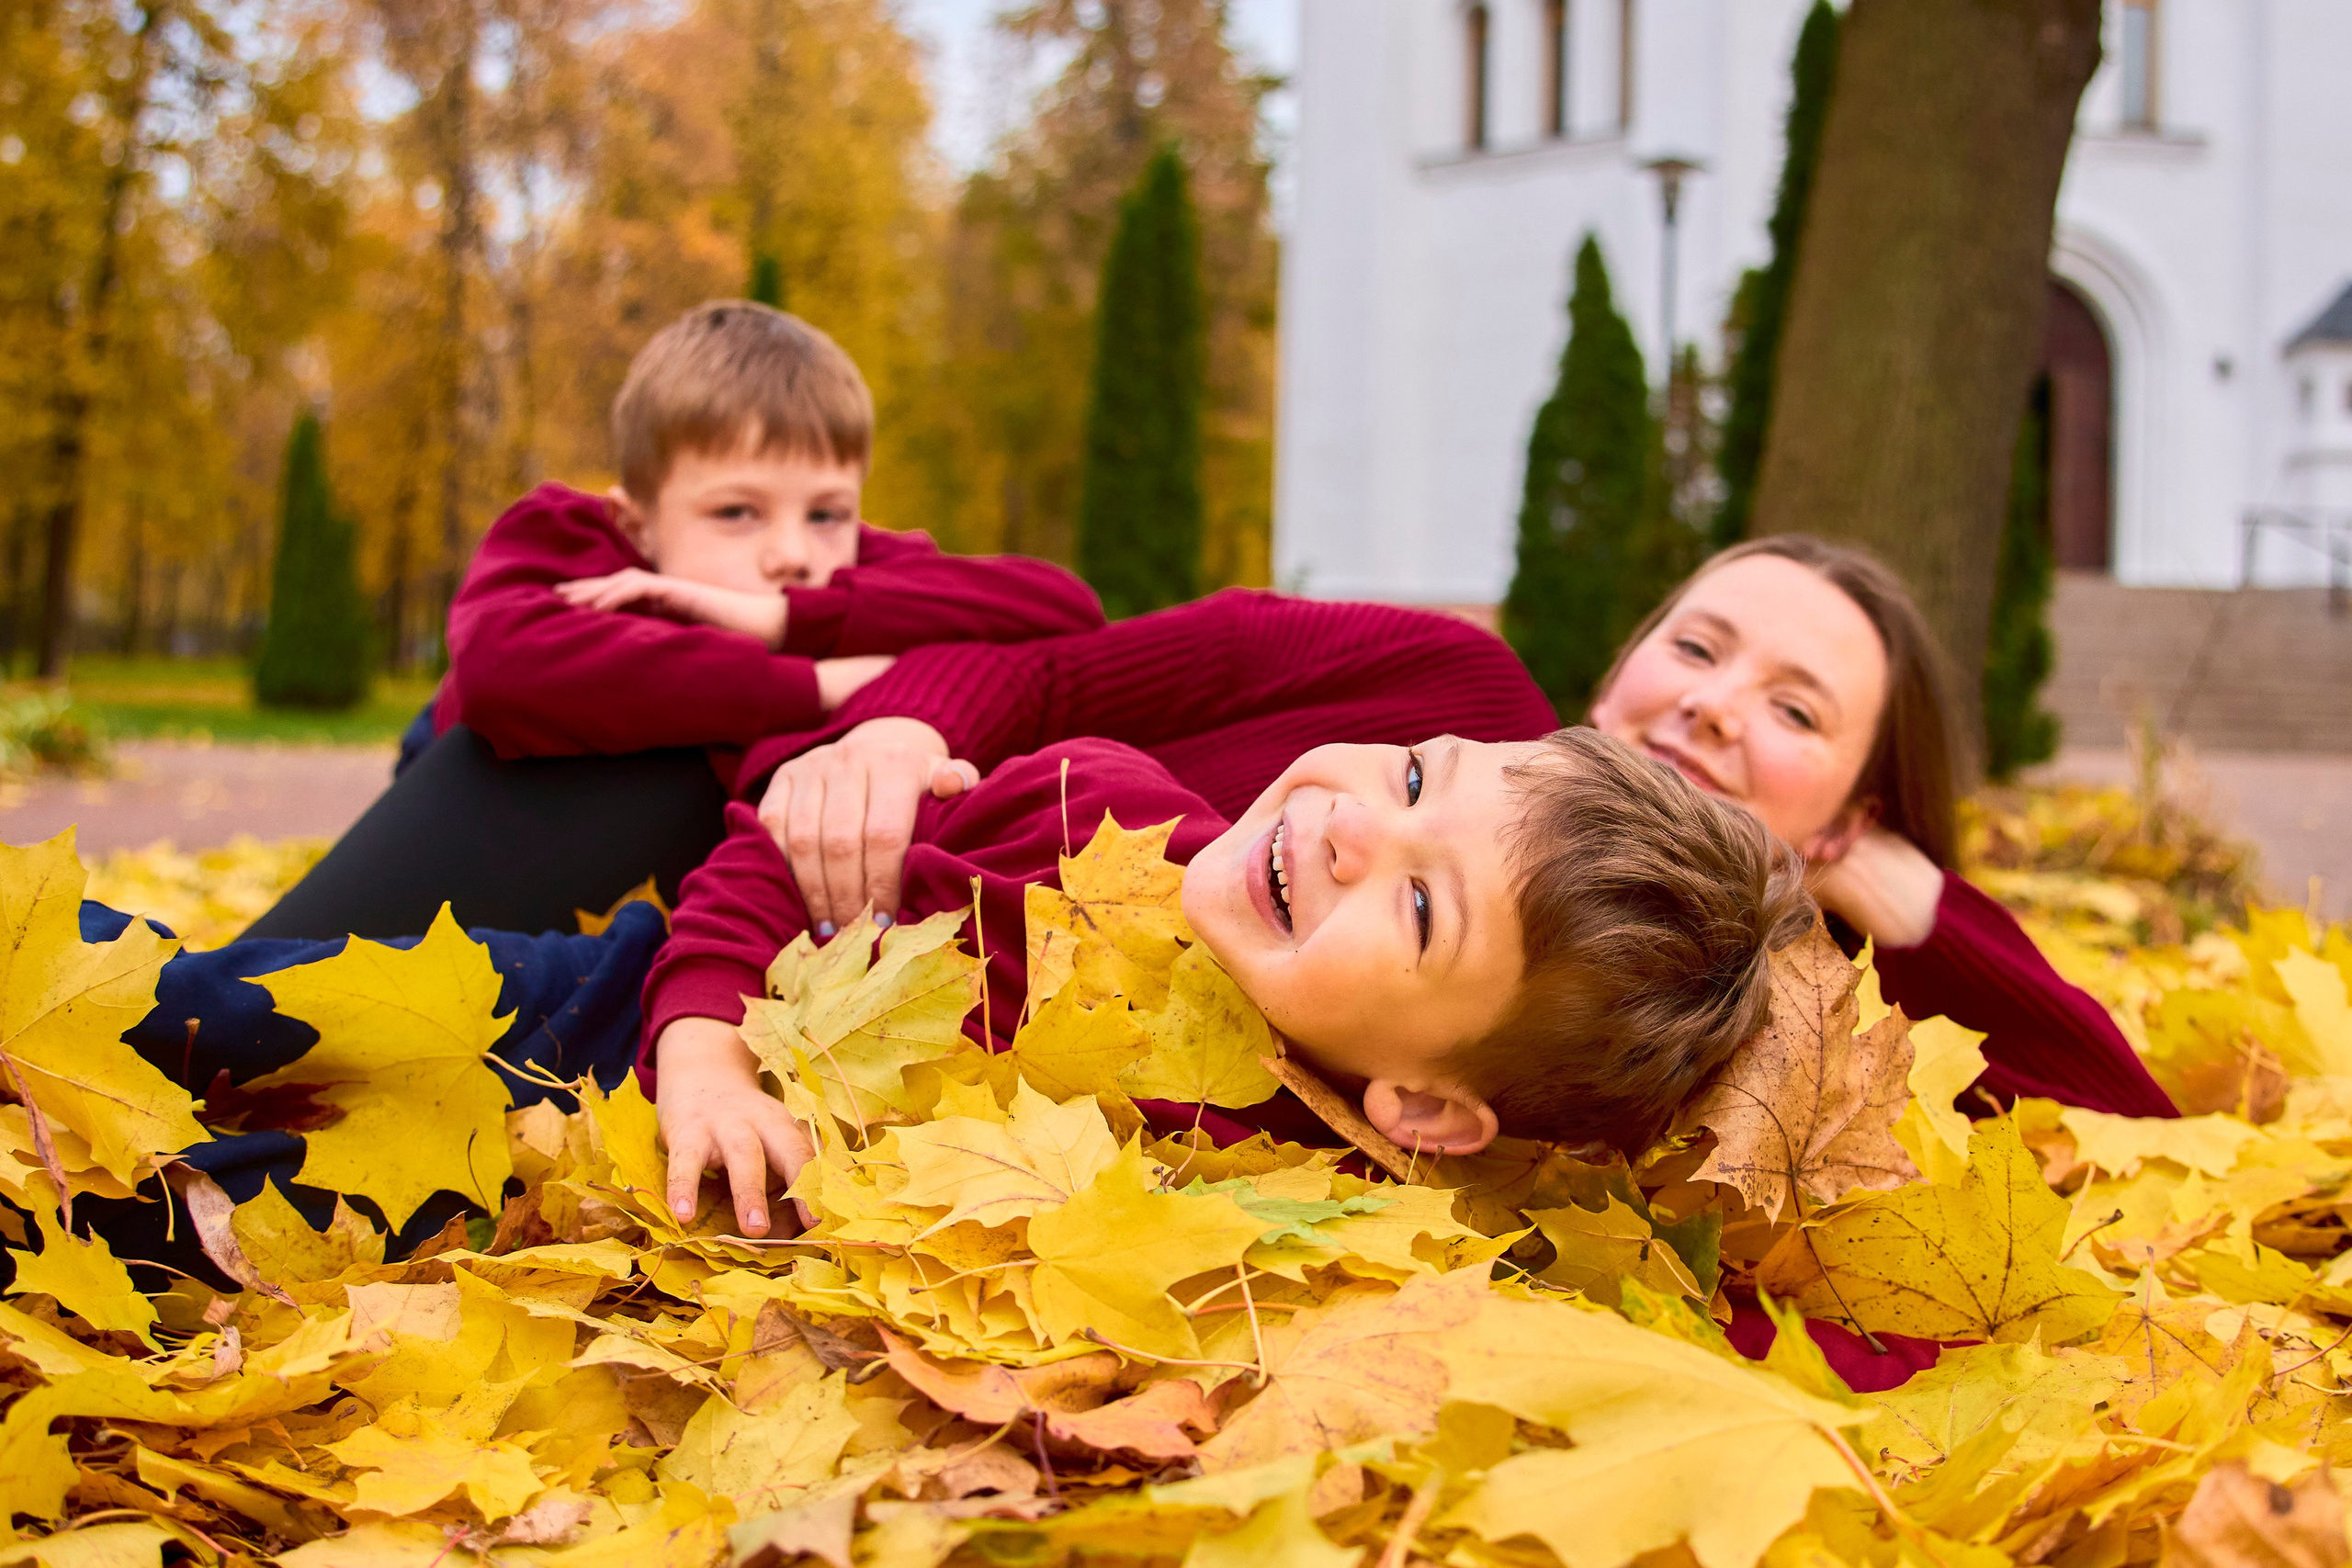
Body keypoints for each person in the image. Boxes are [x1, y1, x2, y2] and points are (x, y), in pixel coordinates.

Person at [645, 591, 1814, 1237]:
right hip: (629, 1018)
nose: (1357, 827)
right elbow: (764, 870)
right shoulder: (1094, 812)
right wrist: (702, 1054)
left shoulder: (1313, 1205)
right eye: (1410, 777)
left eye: (1417, 906)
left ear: (1421, 1104)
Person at [243, 300, 1100, 942]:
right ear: (639, 522)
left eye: (827, 512)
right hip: (481, 809)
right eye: (737, 513)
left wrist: (777, 619)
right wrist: (818, 679)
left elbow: (1063, 609)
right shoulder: (573, 540)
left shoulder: (833, 576)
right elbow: (509, 668)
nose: (792, 552)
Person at [1584, 535, 2176, 1121]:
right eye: (1694, 649)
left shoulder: (1825, 1058)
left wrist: (1919, 916)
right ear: (1613, 683)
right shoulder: (1490, 765)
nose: (1714, 704)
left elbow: (2138, 1139)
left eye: (1794, 711)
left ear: (1844, 824)